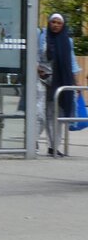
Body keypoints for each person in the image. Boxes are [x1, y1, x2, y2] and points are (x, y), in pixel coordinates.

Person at [38, 13, 79, 157]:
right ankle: (32, 142)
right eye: (53, 22)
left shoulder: (67, 41)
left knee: (57, 115)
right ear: (49, 23)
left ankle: (54, 146)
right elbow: (34, 55)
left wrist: (76, 84)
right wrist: (37, 68)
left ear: (63, 25)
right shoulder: (42, 37)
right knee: (41, 114)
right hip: (42, 80)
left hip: (60, 81)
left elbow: (71, 62)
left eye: (58, 23)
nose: (55, 25)